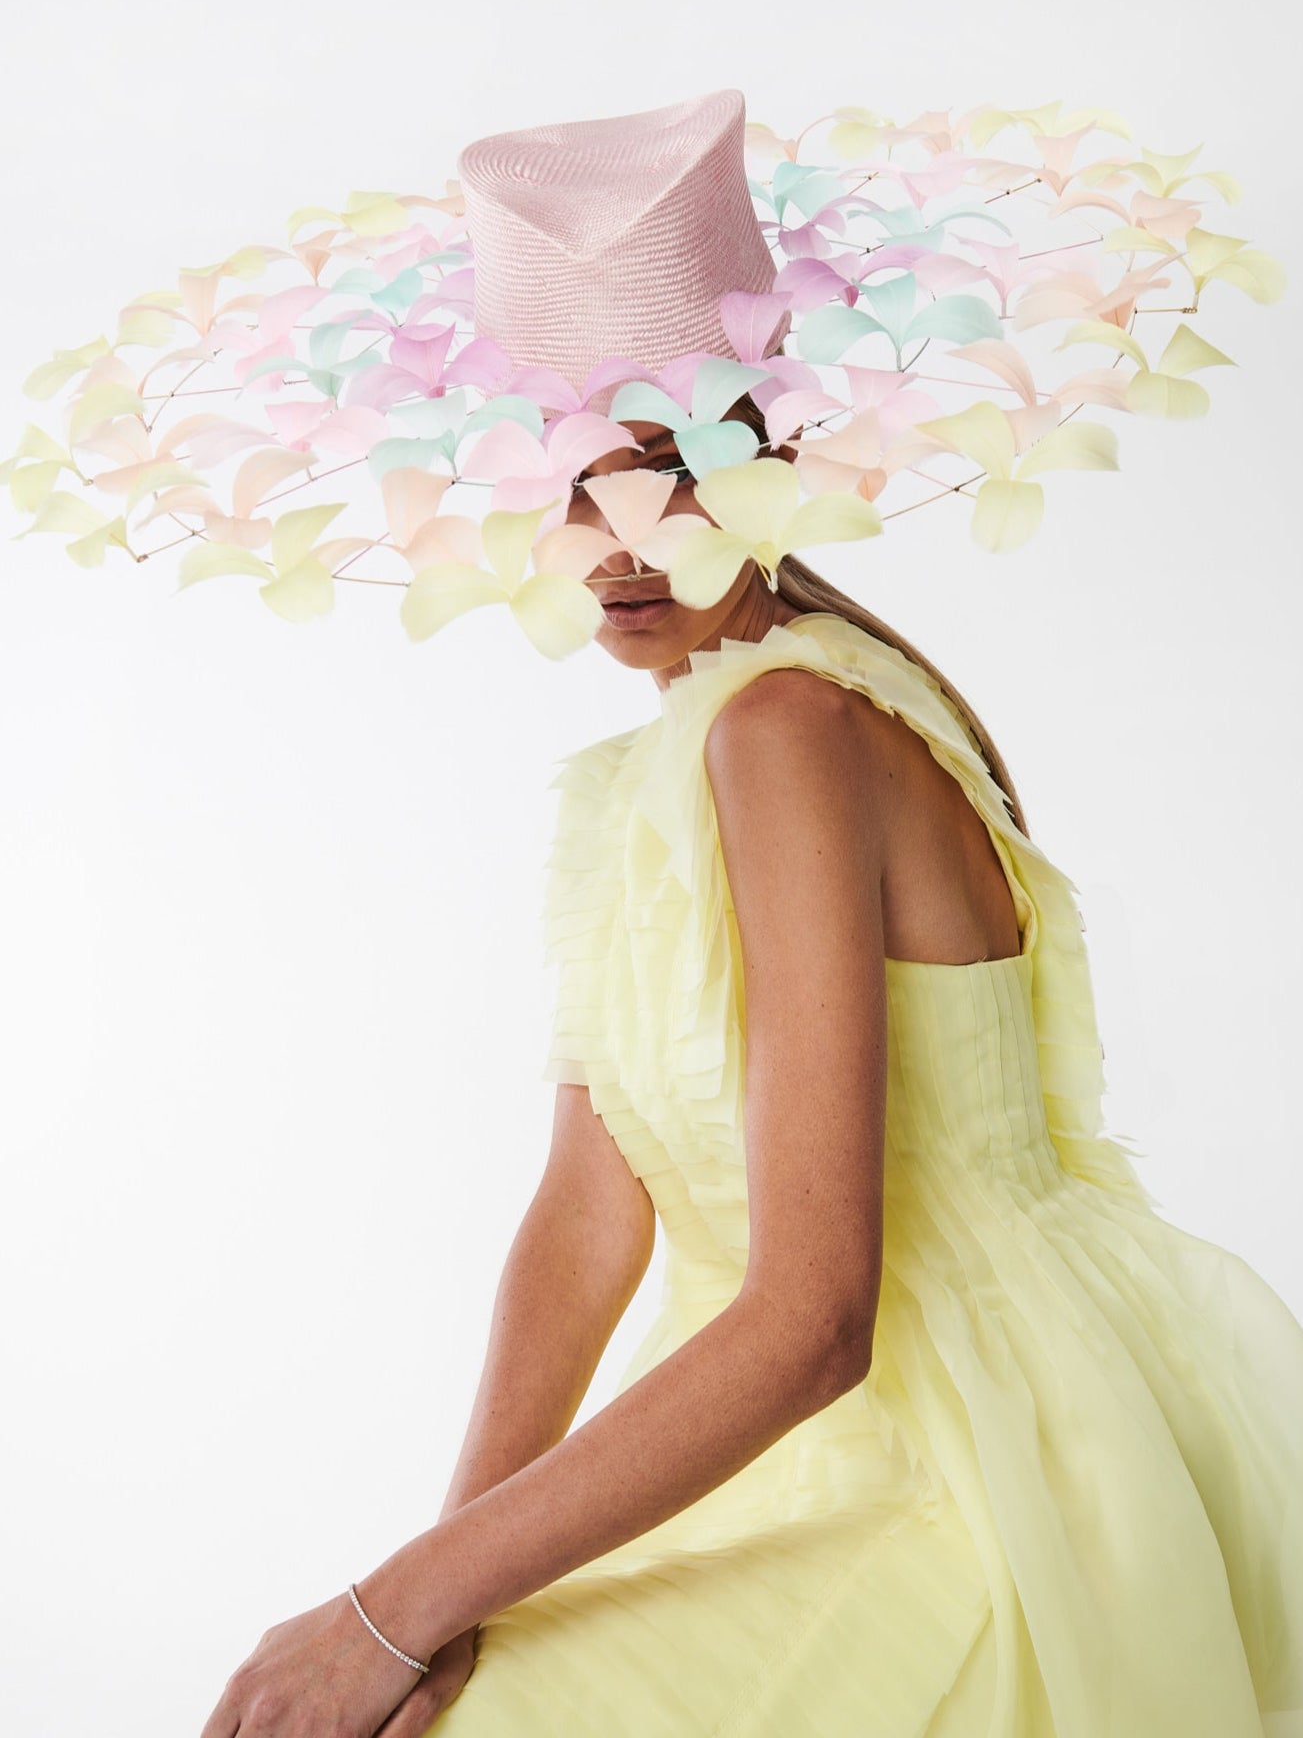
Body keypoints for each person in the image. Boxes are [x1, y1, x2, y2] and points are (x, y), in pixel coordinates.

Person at [185, 90, 1303, 1738]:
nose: (616, 545)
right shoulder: (649, 774)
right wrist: (434, 1613)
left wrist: (391, 1610)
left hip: (962, 1462)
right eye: (568, 485)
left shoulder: (788, 731)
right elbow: (588, 1215)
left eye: (666, 472)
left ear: (773, 457)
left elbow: (817, 1320)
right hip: (764, 1442)